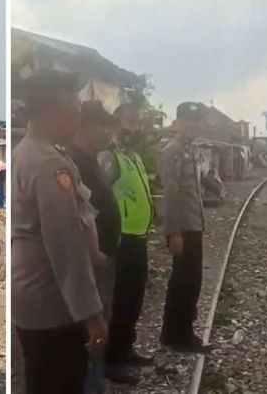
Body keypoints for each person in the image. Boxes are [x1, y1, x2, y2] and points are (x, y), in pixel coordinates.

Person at [12, 69, 107, 394]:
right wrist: (90, 313)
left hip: (37, 302)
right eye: (75, 112)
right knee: (60, 381)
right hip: (55, 307)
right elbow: (66, 248)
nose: (79, 120)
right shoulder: (49, 164)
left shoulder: (26, 153)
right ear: (53, 112)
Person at [98, 103, 155, 384]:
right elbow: (100, 198)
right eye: (131, 121)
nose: (137, 128)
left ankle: (126, 348)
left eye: (139, 122)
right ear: (116, 123)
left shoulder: (133, 157)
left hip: (138, 238)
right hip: (121, 240)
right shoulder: (109, 157)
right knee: (118, 302)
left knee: (133, 300)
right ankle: (111, 359)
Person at [67, 100, 120, 393]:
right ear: (86, 127)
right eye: (103, 126)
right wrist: (96, 253)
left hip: (103, 262)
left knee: (101, 328)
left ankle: (97, 381)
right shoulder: (73, 164)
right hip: (92, 264)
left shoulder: (92, 161)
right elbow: (79, 220)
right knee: (91, 332)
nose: (108, 133)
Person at [159, 102, 211, 353]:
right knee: (185, 282)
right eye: (187, 121)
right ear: (178, 122)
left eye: (195, 121)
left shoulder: (192, 150)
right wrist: (173, 232)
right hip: (184, 228)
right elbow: (170, 194)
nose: (192, 126)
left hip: (193, 225)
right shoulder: (174, 152)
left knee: (188, 280)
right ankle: (180, 336)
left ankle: (173, 333)